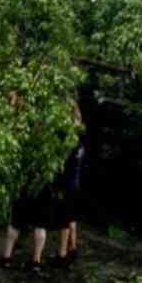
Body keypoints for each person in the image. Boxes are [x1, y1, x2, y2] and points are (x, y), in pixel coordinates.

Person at [54, 103, 85, 264]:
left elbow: (62, 165)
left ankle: (62, 254)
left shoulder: (69, 144)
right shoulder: (80, 143)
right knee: (71, 217)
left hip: (67, 185)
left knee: (63, 220)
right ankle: (72, 248)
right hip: (75, 183)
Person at [0, 181, 54, 270]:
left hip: (24, 184)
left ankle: (7, 258)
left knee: (15, 223)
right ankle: (36, 261)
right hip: (43, 186)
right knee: (40, 224)